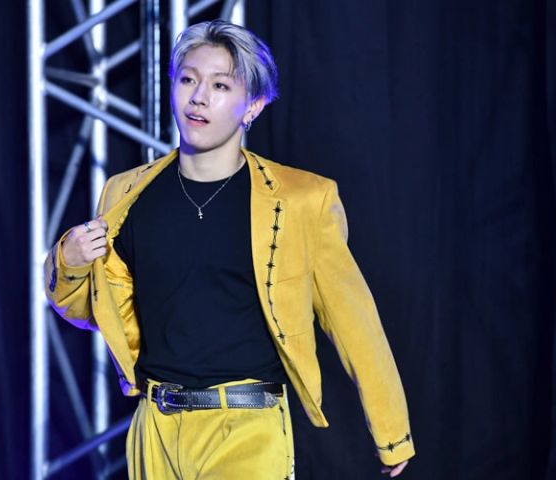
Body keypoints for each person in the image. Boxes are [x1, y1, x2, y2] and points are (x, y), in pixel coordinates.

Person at [45, 19, 414, 479]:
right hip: (154, 428)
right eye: (188, 79)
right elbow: (93, 313)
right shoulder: (125, 195)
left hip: (246, 427)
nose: (198, 97)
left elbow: (353, 318)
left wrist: (391, 431)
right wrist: (69, 263)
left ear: (253, 105)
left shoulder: (300, 200)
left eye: (220, 85)